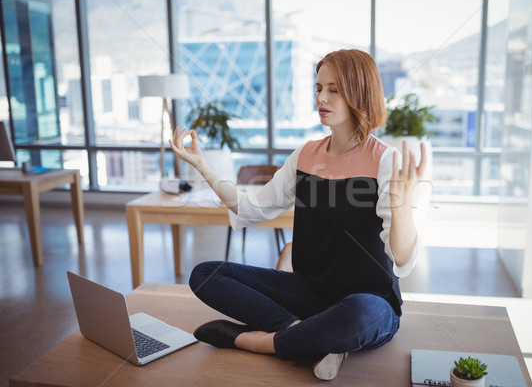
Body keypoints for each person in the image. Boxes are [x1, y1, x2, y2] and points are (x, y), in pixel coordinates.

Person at [169, 49, 427, 380]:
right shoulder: (305, 155)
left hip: (368, 300)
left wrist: (403, 204)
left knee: (364, 313)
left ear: (359, 92)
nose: (322, 97)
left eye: (334, 89)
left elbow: (403, 261)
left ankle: (262, 341)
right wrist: (201, 165)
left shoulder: (385, 161)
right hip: (309, 295)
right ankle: (309, 336)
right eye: (319, 88)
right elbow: (250, 208)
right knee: (206, 273)